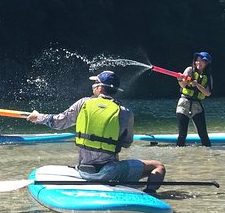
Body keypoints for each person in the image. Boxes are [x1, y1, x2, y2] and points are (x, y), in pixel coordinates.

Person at [26, 70, 166, 194]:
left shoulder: (83, 104)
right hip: (111, 173)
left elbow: (58, 122)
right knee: (158, 166)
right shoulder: (125, 112)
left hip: (83, 171)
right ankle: (149, 195)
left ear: (99, 88)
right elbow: (127, 143)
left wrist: (38, 117)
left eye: (95, 84)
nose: (93, 86)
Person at [175, 51, 213, 147]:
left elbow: (207, 93)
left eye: (201, 61)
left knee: (203, 134)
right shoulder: (189, 70)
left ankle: (209, 154)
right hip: (184, 104)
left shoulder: (208, 77)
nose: (198, 63)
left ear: (206, 63)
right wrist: (179, 78)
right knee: (182, 134)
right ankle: (180, 154)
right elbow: (183, 84)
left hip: (197, 106)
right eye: (197, 60)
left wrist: (197, 84)